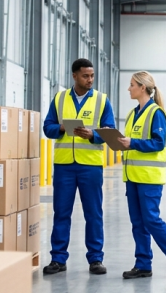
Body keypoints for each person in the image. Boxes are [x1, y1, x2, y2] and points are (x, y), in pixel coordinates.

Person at [41, 58, 115, 276]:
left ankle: (95, 259)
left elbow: (110, 130)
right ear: (74, 75)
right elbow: (47, 127)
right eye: (85, 76)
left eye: (92, 75)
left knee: (94, 213)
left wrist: (94, 134)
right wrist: (62, 128)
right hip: (64, 166)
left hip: (90, 167)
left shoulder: (102, 100)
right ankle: (58, 259)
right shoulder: (60, 98)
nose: (90, 79)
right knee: (61, 213)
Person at [115, 71, 166, 280]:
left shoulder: (156, 113)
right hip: (132, 177)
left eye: (131, 85)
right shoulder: (132, 114)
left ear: (142, 88)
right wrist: (121, 144)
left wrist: (132, 143)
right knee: (137, 222)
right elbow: (132, 142)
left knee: (151, 220)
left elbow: (157, 143)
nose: (128, 89)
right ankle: (143, 264)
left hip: (149, 179)